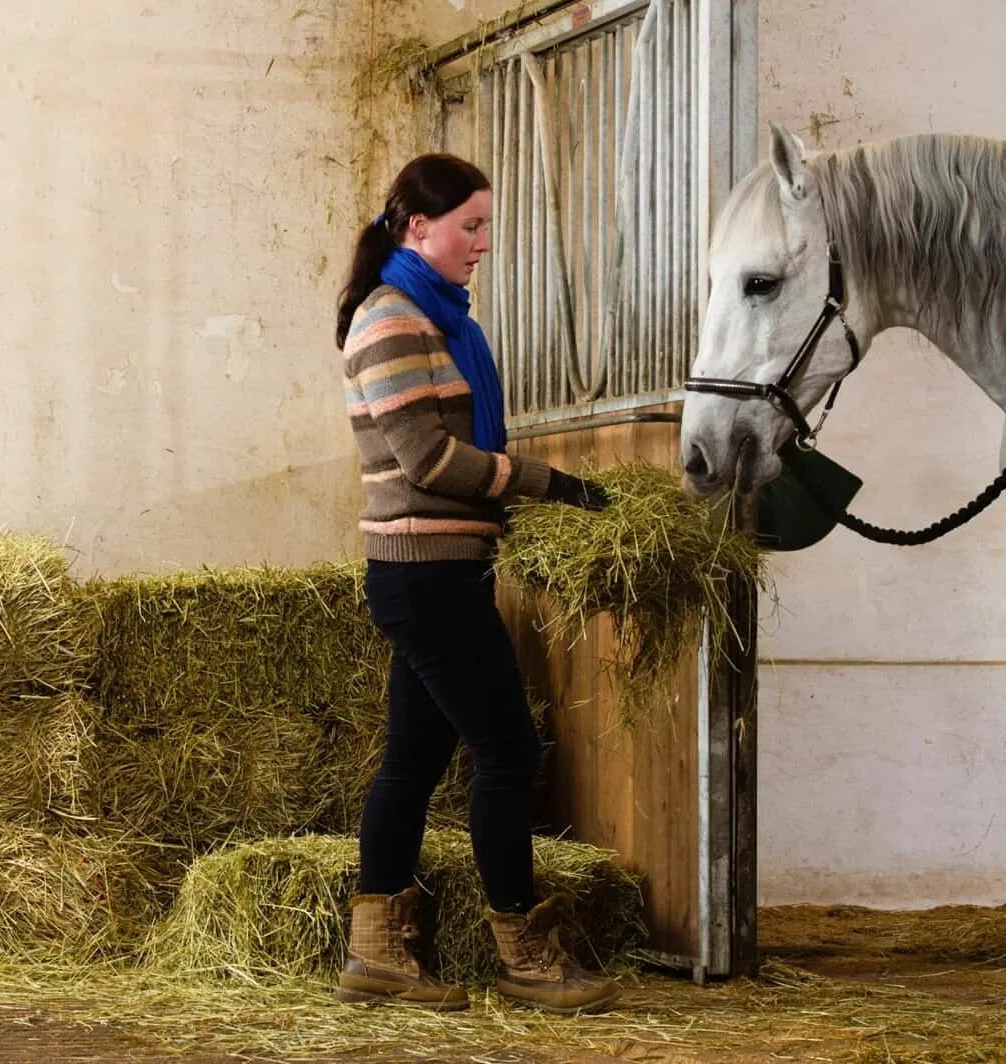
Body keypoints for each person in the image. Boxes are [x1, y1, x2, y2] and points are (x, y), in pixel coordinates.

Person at [334, 152, 620, 1015]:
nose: (483, 242)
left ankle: (376, 953)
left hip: (444, 570)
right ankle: (525, 958)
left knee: (413, 765)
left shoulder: (442, 321)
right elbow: (427, 460)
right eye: (472, 225)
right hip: (424, 580)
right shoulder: (392, 321)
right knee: (505, 754)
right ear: (418, 226)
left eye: (487, 224)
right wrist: (544, 483)